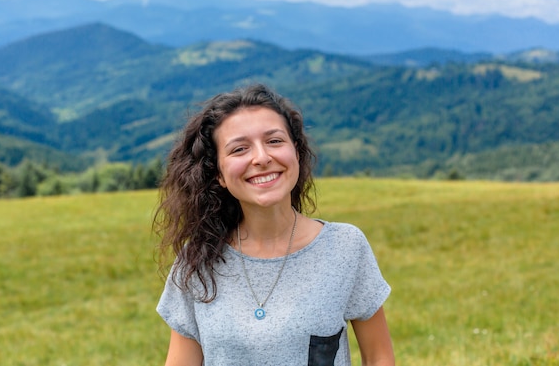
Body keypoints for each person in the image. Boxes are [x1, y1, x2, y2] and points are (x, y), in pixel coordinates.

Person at [154, 83, 394, 365]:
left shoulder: (345, 247)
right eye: (239, 149)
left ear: (296, 151)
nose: (262, 158)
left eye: (274, 141)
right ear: (218, 173)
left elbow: (379, 357)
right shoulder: (197, 260)